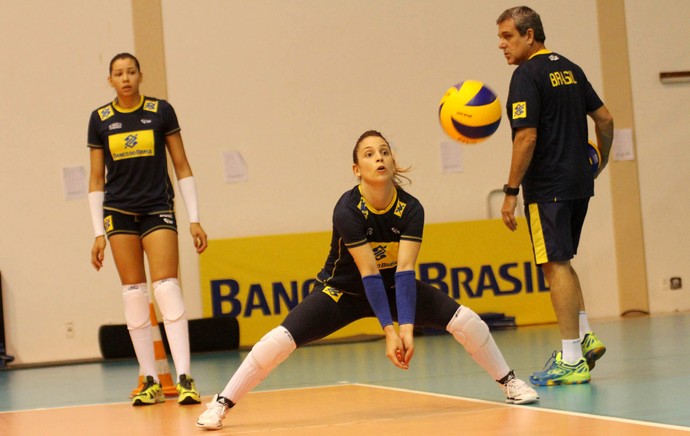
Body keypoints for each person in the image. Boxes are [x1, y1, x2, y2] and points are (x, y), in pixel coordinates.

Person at [196, 130, 538, 430]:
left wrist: (406, 328)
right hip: (342, 292)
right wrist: (390, 333)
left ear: (393, 163)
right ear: (356, 169)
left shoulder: (411, 209)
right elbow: (369, 272)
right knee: (278, 341)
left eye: (385, 152)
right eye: (370, 154)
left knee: (467, 322)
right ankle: (221, 404)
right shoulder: (348, 209)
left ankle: (509, 383)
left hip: (394, 288)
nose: (380, 158)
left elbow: (404, 271)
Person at [496, 6, 615, 386]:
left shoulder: (526, 75)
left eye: (507, 36)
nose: (502, 45)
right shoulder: (571, 68)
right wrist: (600, 158)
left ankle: (571, 359)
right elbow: (606, 120)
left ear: (530, 35)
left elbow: (525, 137)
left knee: (555, 265)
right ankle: (583, 336)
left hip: (548, 187)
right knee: (559, 261)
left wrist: (511, 191)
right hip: (580, 182)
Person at [87, 52, 208, 406]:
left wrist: (194, 218)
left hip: (157, 208)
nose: (125, 78)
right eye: (118, 73)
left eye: (130, 72)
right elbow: (96, 179)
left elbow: (182, 165)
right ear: (110, 80)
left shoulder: (161, 111)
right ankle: (150, 379)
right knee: (134, 294)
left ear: (141, 75)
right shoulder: (100, 119)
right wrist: (98, 232)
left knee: (167, 287)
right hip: (118, 213)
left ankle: (185, 377)